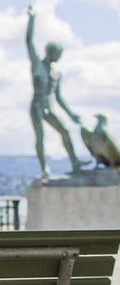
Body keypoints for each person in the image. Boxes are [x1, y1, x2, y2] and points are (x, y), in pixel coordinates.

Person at [26, 5, 90, 177]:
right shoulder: (38, 66)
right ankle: (45, 168)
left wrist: (71, 114)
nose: (60, 57)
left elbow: (59, 97)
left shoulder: (56, 73)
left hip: (49, 107)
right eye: (59, 53)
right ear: (51, 52)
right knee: (41, 137)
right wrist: (32, 19)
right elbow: (29, 42)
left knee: (65, 131)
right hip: (37, 106)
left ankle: (75, 162)